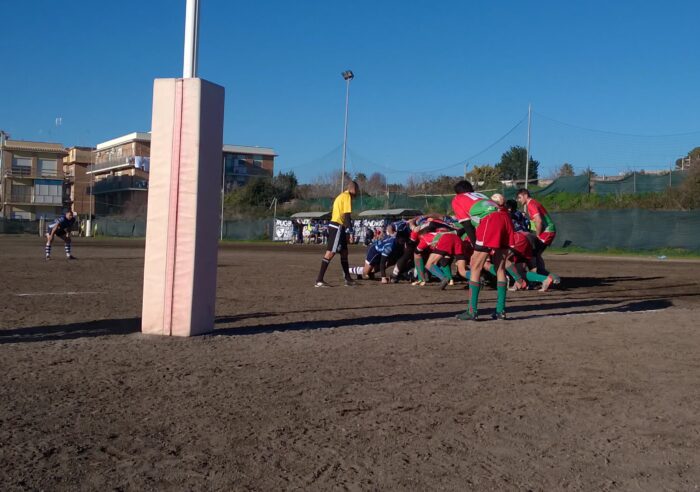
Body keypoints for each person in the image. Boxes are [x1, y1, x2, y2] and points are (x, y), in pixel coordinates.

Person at [452, 180, 514, 321]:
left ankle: (472, 311)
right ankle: (500, 310)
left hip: (490, 220)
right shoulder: (480, 195)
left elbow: (467, 226)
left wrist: (477, 248)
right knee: (500, 267)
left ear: (457, 192)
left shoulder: (457, 199)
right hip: (505, 218)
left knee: (475, 265)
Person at [315, 181, 359, 287]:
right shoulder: (347, 196)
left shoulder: (341, 196)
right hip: (337, 226)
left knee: (344, 252)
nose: (357, 192)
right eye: (357, 190)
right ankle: (319, 280)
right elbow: (347, 215)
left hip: (339, 227)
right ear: (353, 189)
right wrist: (351, 231)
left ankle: (348, 279)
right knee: (330, 252)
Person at [516, 188, 557, 273]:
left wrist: (537, 236)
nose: (519, 200)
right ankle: (543, 276)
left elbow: (538, 221)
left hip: (547, 231)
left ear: (525, 195)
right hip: (548, 231)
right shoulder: (532, 203)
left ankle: (540, 278)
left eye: (519, 197)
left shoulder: (531, 204)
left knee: (534, 254)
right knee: (536, 254)